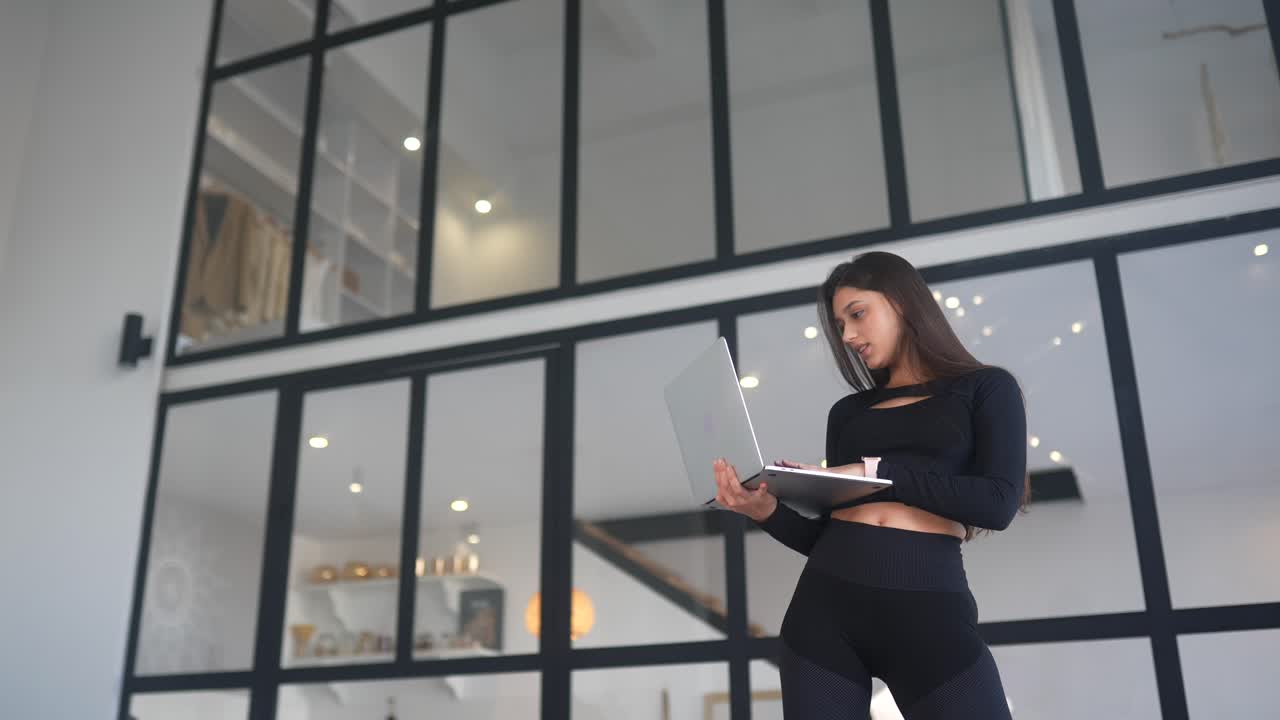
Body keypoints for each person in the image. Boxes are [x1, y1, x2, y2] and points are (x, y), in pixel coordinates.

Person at [712, 251, 1027, 719]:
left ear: (902, 301)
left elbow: (998, 504)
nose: (848, 336)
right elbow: (831, 534)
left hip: (929, 609)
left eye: (857, 314)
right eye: (840, 325)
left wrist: (874, 472)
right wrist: (766, 513)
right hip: (824, 610)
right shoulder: (847, 414)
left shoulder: (984, 388)